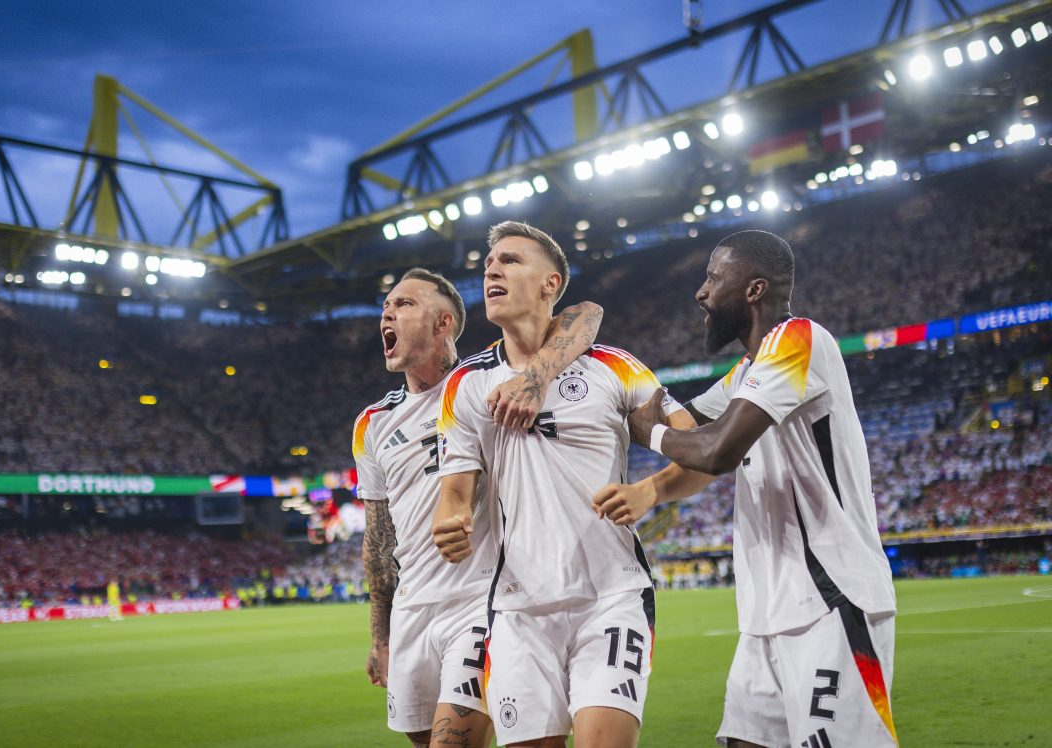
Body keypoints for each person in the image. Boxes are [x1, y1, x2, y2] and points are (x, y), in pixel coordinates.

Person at [592, 230, 898, 747]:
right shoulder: (746, 373)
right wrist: (649, 481)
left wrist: (650, 432)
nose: (701, 291)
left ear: (754, 290)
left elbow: (716, 452)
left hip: (832, 599)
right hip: (768, 613)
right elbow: (694, 431)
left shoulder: (797, 338)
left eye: (714, 277)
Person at [432, 221, 694, 748]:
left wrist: (651, 491)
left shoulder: (613, 369)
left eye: (509, 260)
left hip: (611, 596)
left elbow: (700, 451)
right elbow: (455, 492)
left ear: (551, 283)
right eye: (488, 263)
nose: (491, 269)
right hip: (516, 608)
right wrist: (450, 523)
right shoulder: (465, 385)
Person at [356, 267, 603, 748]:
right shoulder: (373, 423)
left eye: (404, 304)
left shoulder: (486, 383)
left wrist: (535, 377)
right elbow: (379, 541)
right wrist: (381, 636)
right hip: (412, 610)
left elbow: (585, 314)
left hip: (483, 601)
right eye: (385, 306)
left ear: (443, 323)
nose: (387, 313)